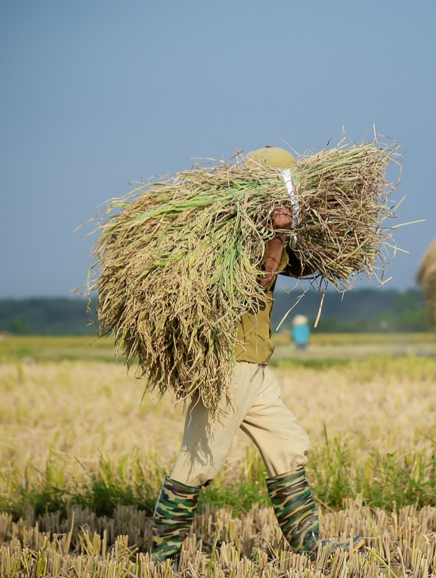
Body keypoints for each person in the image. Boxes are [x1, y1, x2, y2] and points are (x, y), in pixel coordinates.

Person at [150, 147, 363, 564]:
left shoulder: (265, 229)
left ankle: (310, 545)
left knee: (288, 445)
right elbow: (257, 278)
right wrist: (278, 234)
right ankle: (162, 555)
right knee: (199, 462)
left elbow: (301, 267)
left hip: (255, 364)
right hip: (228, 365)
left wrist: (295, 233)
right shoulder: (232, 233)